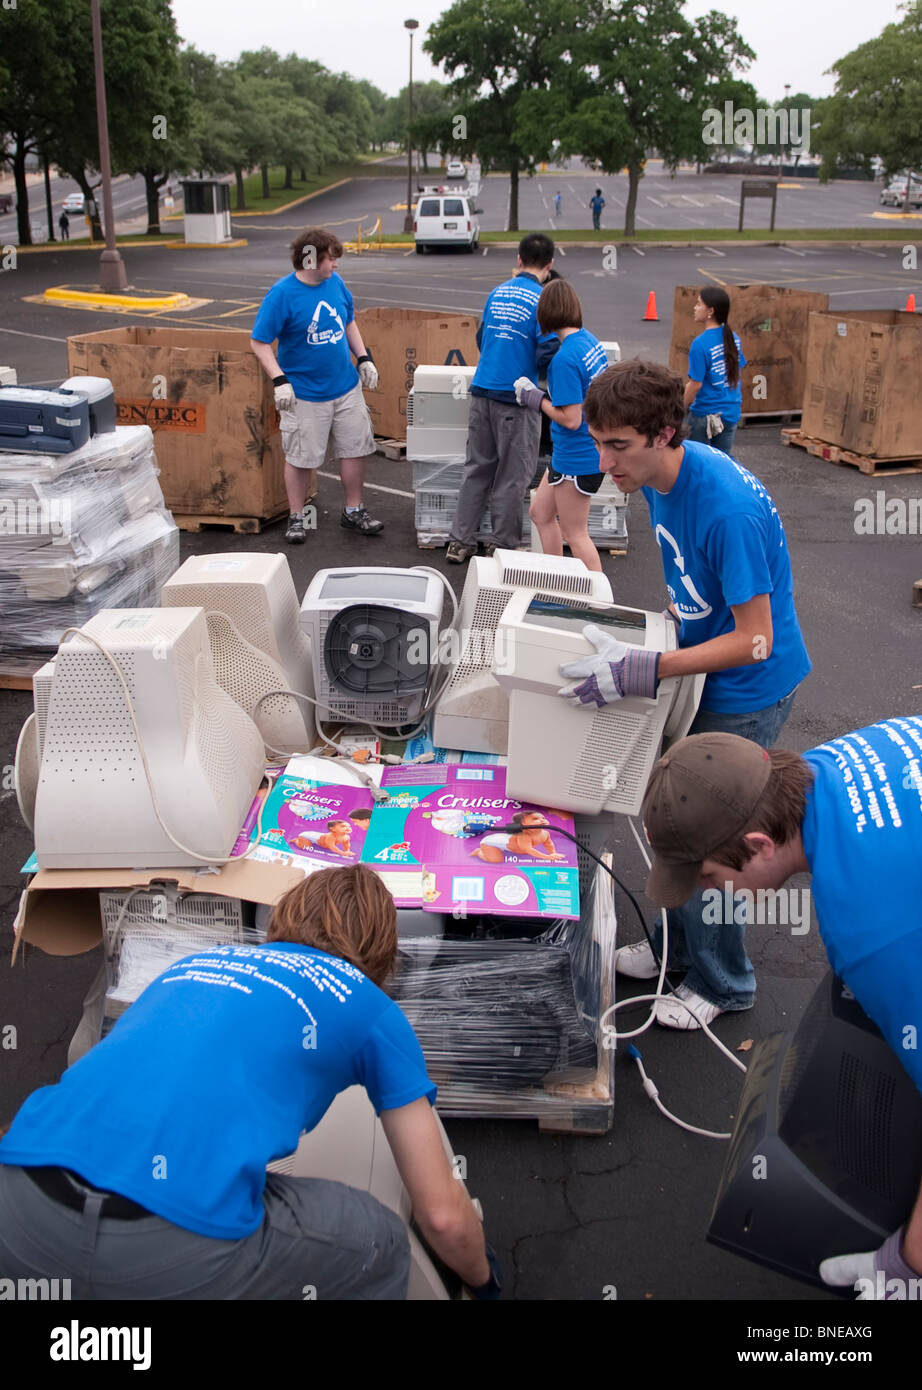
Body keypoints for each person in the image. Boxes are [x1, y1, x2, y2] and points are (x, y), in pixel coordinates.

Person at [0, 864, 500, 1300]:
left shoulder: (191, 966)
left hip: (20, 1201)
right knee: (381, 1241)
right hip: (169, 1244)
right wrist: (484, 1281)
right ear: (382, 955)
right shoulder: (369, 1005)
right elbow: (442, 1217)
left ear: (283, 918)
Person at [557, 358, 811, 1029]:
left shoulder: (724, 507)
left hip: (750, 687)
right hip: (707, 672)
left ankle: (725, 983)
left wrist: (653, 666)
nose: (606, 461)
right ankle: (677, 948)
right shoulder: (661, 473)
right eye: (600, 441)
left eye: (619, 446)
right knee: (669, 815)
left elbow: (755, 638)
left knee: (709, 842)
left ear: (664, 434)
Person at [639, 717, 922, 1298]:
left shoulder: (873, 931)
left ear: (758, 845)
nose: (708, 895)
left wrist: (909, 1264)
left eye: (711, 878)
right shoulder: (827, 764)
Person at [250, 226, 383, 545]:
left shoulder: (334, 283)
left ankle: (354, 510)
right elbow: (259, 342)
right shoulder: (282, 294)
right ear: (311, 260)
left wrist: (363, 358)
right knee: (300, 457)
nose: (336, 265)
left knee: (355, 449)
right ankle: (297, 517)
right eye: (331, 258)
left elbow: (348, 320)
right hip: (305, 395)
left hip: (346, 388)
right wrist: (279, 380)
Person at [445, 233, 558, 564]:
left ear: (519, 259)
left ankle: (460, 541)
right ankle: (503, 545)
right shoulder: (543, 300)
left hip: (482, 391)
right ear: (549, 266)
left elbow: (482, 338)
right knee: (513, 475)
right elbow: (549, 349)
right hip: (516, 399)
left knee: (477, 468)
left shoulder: (497, 293)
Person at [517, 279, 609, 573]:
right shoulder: (590, 342)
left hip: (576, 457)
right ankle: (558, 582)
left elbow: (571, 419)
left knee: (576, 534)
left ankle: (600, 602)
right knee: (539, 512)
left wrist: (535, 398)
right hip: (578, 454)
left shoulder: (564, 359)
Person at [684, 287, 746, 454]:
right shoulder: (734, 338)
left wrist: (679, 406)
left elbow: (695, 385)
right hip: (730, 412)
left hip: (705, 415)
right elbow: (736, 372)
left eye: (698, 304)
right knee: (723, 462)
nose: (695, 308)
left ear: (710, 311)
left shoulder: (700, 344)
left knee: (698, 462)